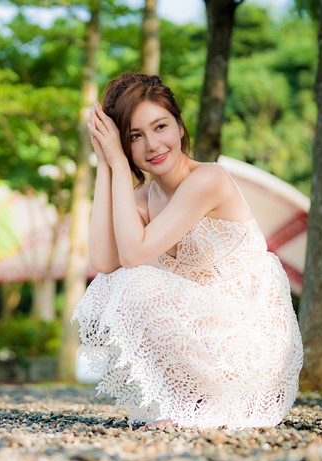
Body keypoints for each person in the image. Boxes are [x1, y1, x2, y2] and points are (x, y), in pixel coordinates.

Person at [72, 72, 303, 429]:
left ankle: (195, 407)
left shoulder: (208, 179)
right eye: (135, 136)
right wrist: (106, 163)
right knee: (108, 286)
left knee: (136, 282)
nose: (152, 144)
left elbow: (133, 256)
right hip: (207, 341)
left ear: (180, 127)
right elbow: (104, 262)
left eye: (160, 126)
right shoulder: (141, 199)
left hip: (251, 343)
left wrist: (120, 164)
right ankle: (188, 405)